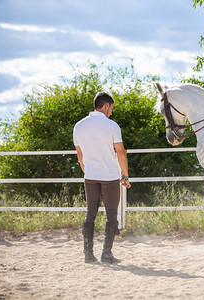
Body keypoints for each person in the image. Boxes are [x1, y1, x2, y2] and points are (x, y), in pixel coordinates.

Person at [73, 92, 131, 264]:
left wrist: (87, 171)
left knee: (90, 213)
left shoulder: (79, 126)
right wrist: (125, 175)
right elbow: (120, 153)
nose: (111, 112)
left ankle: (88, 254)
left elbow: (80, 154)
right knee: (111, 215)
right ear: (106, 106)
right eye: (111, 108)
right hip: (109, 176)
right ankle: (106, 253)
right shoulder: (112, 125)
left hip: (90, 176)